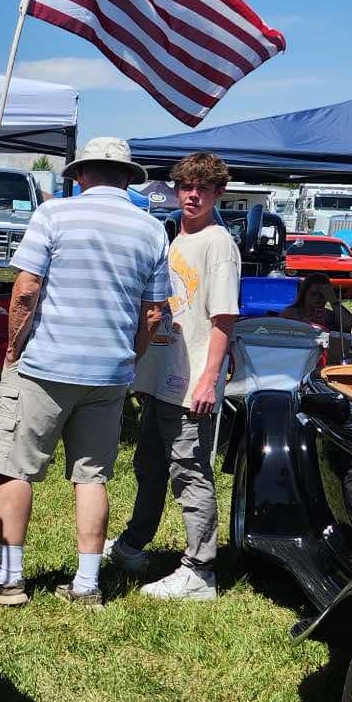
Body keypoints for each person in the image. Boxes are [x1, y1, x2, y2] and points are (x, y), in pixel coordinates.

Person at [0, 137, 172, 610]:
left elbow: (27, 288)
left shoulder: (54, 215)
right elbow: (155, 313)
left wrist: (13, 347)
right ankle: (87, 583)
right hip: (110, 371)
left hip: (45, 365)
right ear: (127, 179)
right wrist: (129, 358)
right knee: (91, 477)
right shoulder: (152, 229)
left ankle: (10, 580)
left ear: (80, 174)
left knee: (16, 469)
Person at [107, 151, 241, 601]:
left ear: (218, 193)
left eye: (204, 188)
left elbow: (223, 318)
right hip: (161, 373)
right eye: (187, 186)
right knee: (148, 466)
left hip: (190, 381)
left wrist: (208, 380)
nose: (193, 195)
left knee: (189, 470)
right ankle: (133, 544)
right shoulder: (173, 240)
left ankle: (200, 569)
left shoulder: (218, 243)